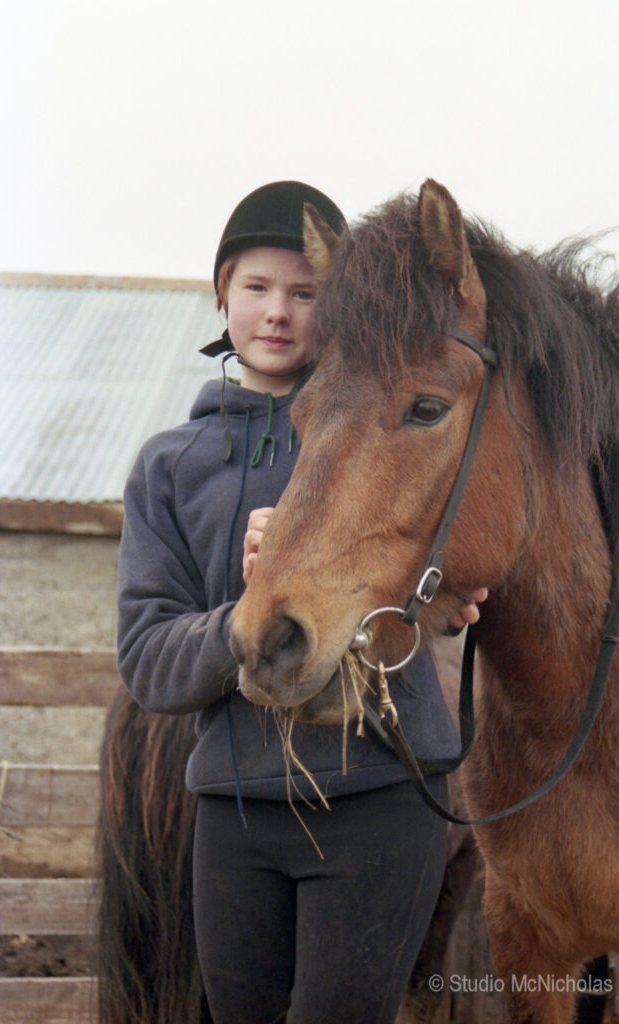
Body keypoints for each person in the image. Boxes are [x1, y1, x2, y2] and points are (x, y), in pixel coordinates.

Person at [117, 180, 487, 1024]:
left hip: (380, 791)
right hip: (234, 804)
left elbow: (448, 559)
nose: (277, 313)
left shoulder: (379, 432)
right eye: (254, 287)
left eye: (304, 292)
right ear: (221, 294)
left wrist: (442, 600)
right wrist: (252, 606)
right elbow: (146, 660)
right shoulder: (168, 468)